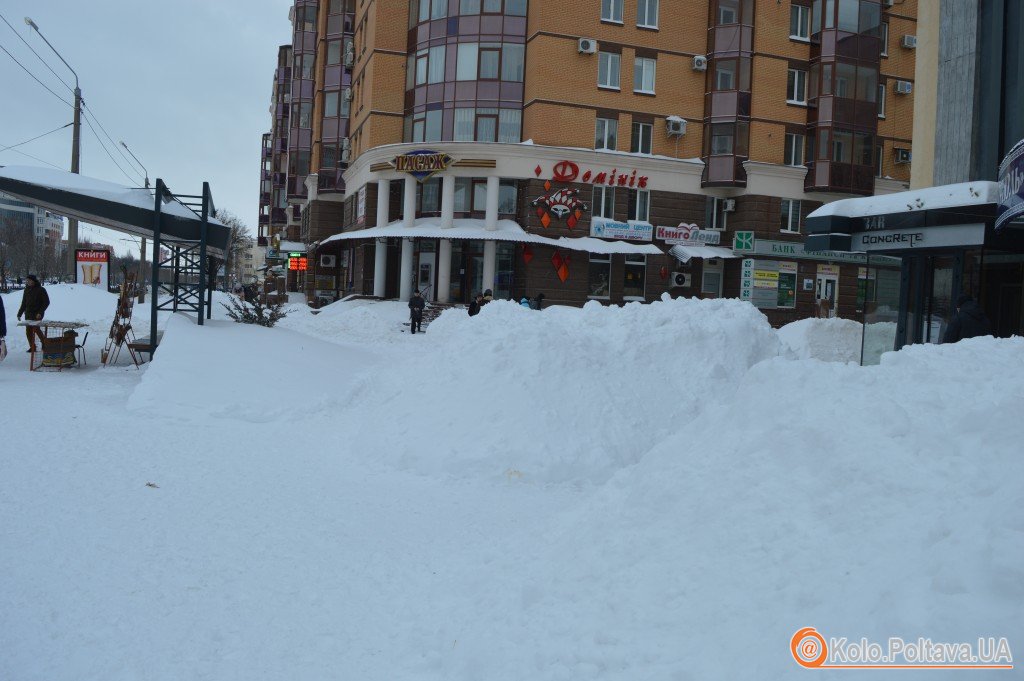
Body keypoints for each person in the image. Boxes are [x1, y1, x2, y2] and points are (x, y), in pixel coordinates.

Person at [17, 274, 49, 353]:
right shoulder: (26, 290)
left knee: (36, 329)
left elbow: (46, 302)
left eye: (29, 280)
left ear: (34, 281)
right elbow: (24, 303)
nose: (27, 282)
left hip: (37, 314)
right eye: (27, 280)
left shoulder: (41, 290)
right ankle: (33, 347)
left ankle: (45, 344)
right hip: (28, 314)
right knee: (28, 332)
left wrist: (40, 312)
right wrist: (19, 313)